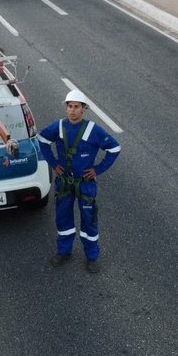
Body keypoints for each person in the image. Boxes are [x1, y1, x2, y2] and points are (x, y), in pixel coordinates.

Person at [37, 90, 121, 274]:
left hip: (85, 184)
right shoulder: (58, 127)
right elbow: (42, 140)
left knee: (89, 221)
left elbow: (115, 148)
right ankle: (64, 252)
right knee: (63, 218)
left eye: (76, 107)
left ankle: (92, 257)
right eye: (69, 106)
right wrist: (53, 163)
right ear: (66, 108)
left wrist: (97, 169)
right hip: (65, 183)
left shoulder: (93, 130)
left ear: (84, 109)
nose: (72, 111)